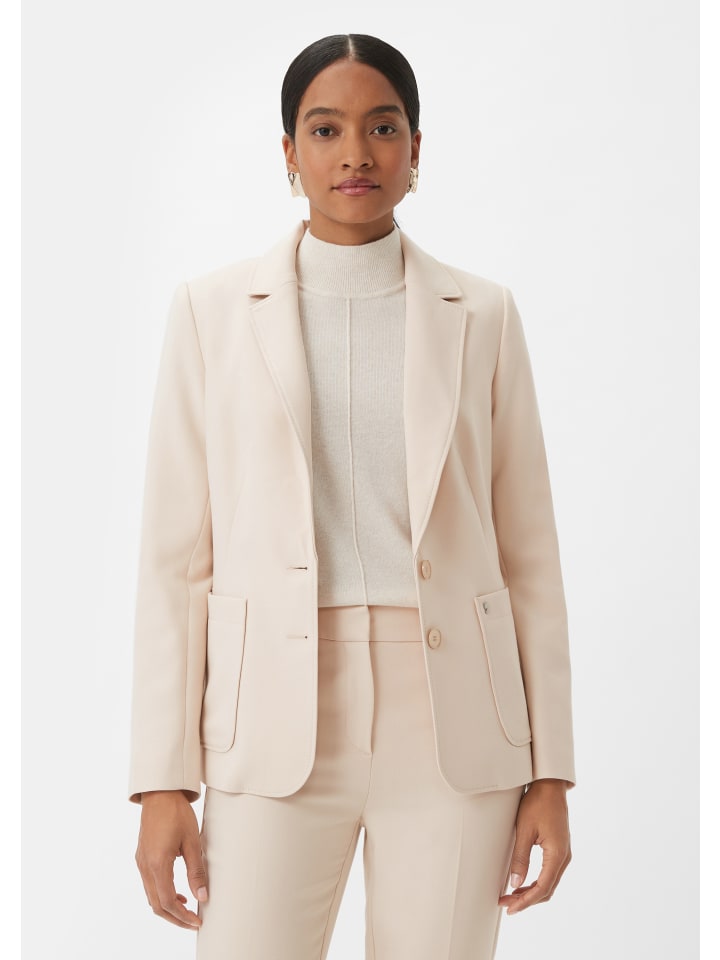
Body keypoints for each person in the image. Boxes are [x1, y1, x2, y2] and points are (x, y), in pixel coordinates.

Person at [129, 33, 575, 960]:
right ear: (289, 153)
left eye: (383, 127)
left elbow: (528, 554)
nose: (356, 154)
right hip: (270, 720)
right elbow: (176, 563)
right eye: (326, 129)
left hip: (454, 723)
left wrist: (551, 774)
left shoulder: (483, 315)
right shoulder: (210, 313)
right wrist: (162, 780)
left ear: (416, 148)